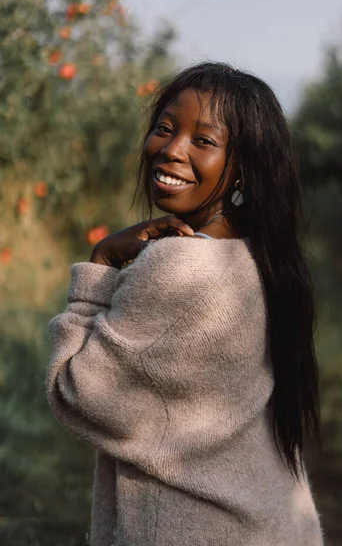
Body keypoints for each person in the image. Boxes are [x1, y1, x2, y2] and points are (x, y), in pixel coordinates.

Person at [46, 62, 324, 546]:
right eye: (165, 128)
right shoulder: (260, 256)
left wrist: (102, 261)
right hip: (272, 525)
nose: (170, 150)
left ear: (243, 167)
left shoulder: (178, 268)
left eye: (204, 140)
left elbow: (74, 390)